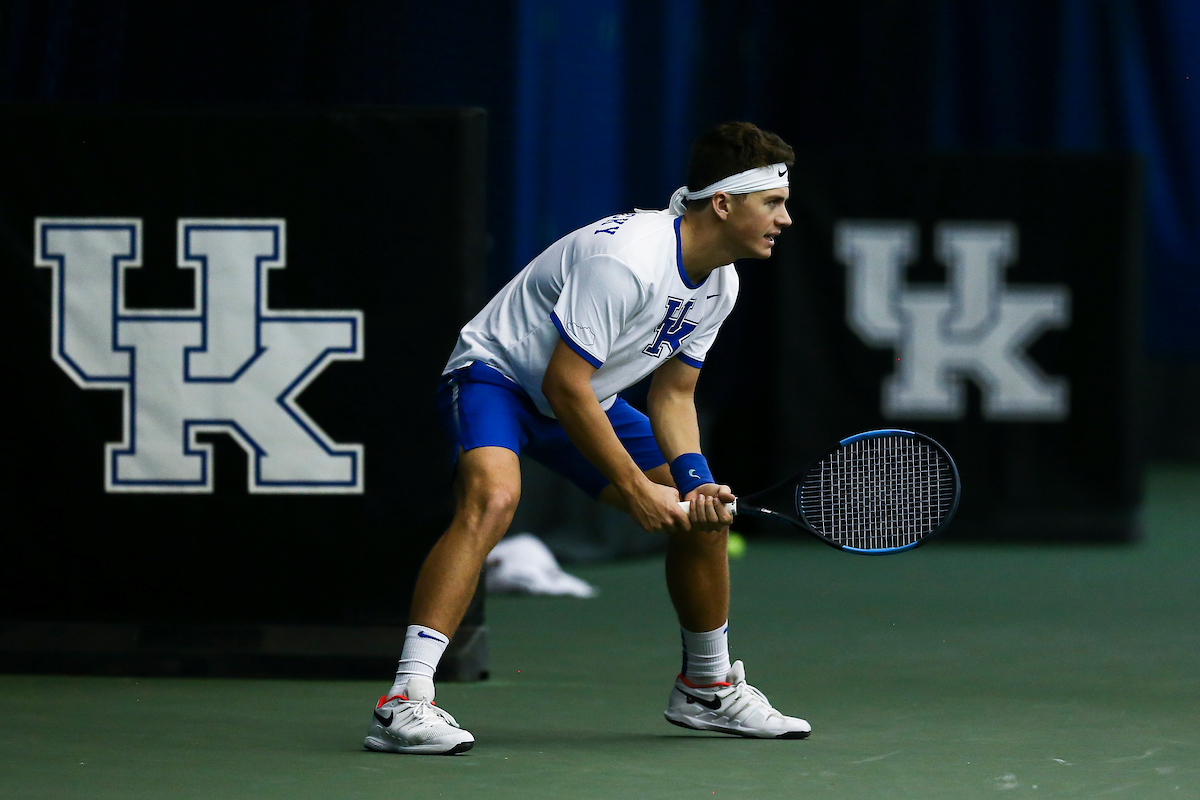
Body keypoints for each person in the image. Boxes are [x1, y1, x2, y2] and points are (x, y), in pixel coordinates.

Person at [364, 121, 809, 755]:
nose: (785, 219)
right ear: (722, 203)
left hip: (585, 397)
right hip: (499, 377)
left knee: (704, 516)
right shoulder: (627, 260)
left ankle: (707, 689)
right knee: (493, 499)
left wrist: (693, 482)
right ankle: (403, 701)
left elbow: (673, 394)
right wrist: (635, 488)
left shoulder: (722, 283)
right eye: (773, 203)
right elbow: (563, 383)